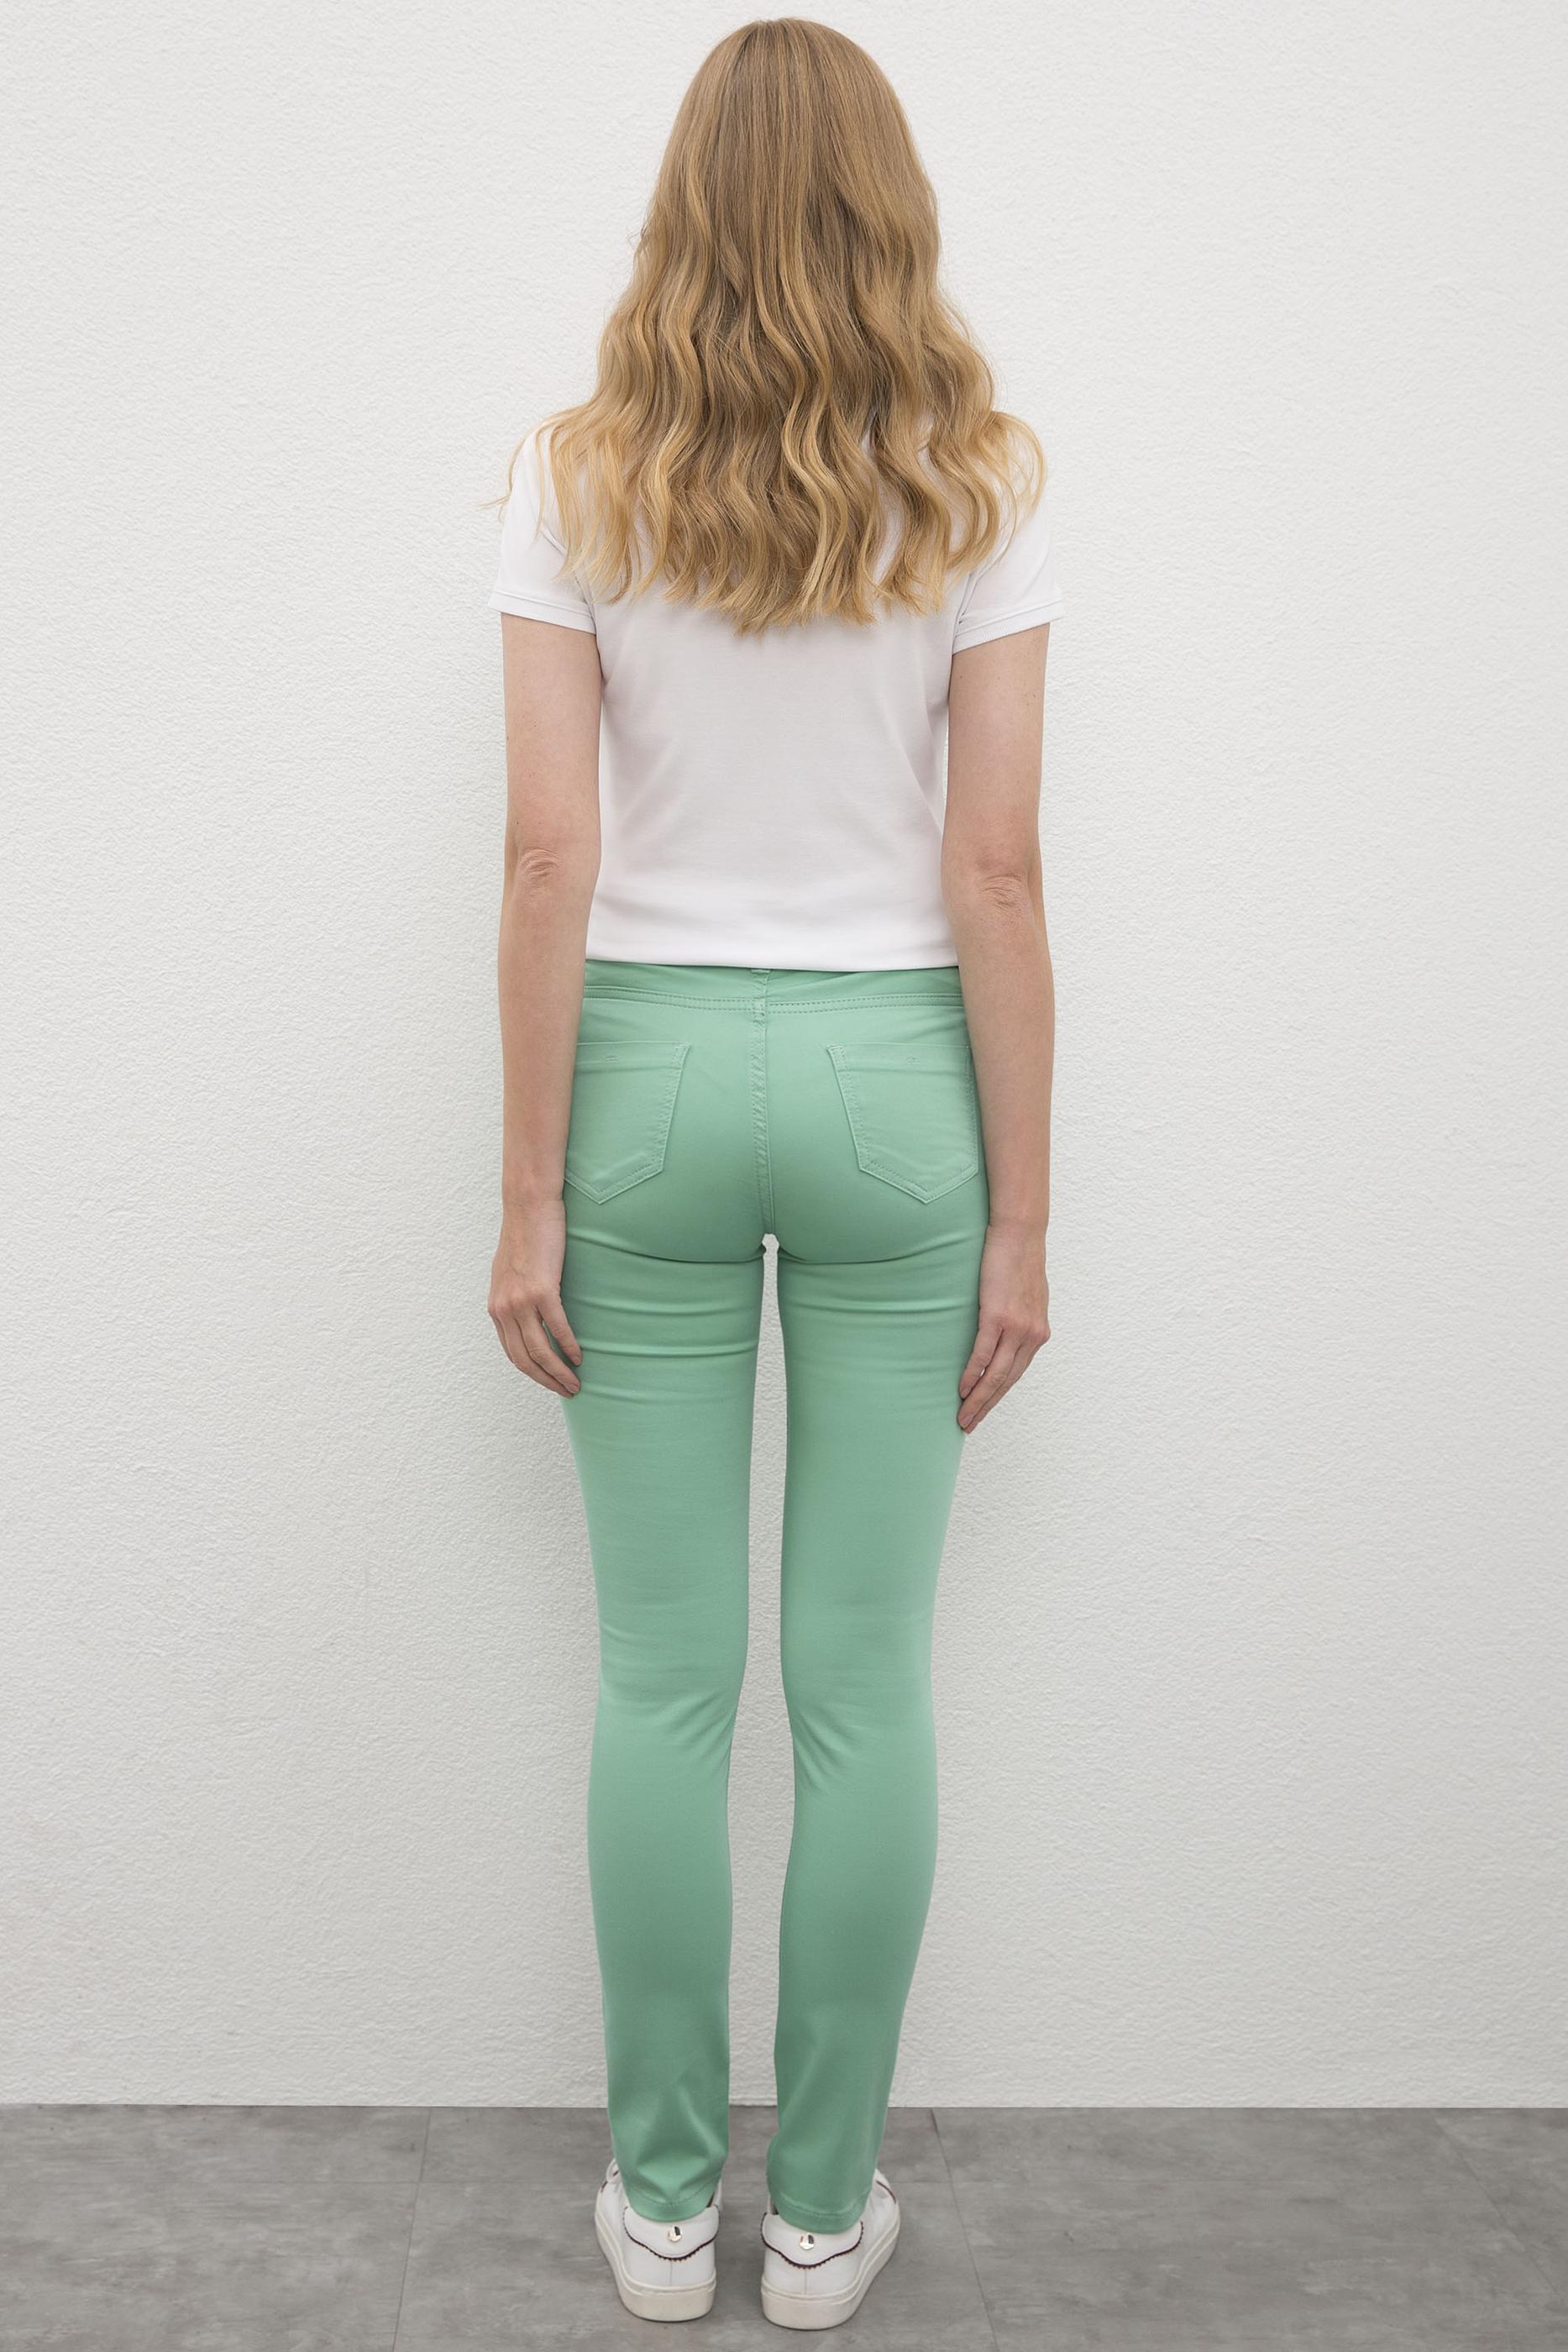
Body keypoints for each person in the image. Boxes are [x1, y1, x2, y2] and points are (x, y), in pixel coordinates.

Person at [486, 18, 1060, 2330]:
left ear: (682, 203)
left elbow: (547, 857)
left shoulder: (577, 474)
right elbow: (995, 872)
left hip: (638, 1074)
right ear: (885, 205)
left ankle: (655, 2214)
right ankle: (816, 2221)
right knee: (860, 1685)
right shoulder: (978, 478)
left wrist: (528, 1191)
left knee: (660, 1683)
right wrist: (1026, 1217)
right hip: (892, 1094)